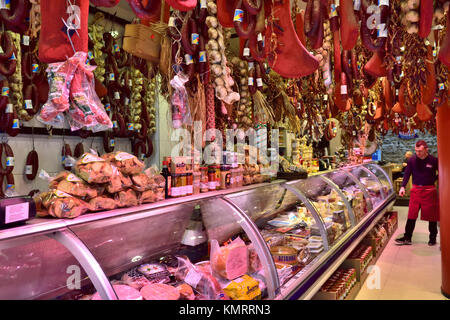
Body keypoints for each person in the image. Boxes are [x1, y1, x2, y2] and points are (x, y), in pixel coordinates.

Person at [396, 140, 439, 246]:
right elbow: (407, 174)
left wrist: (435, 178)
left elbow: (442, 171)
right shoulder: (412, 160)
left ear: (426, 149)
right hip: (416, 190)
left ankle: (432, 238)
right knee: (411, 214)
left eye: (420, 151)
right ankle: (407, 237)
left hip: (429, 191)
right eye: (416, 151)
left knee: (431, 216)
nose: (418, 153)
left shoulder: (434, 160)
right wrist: (402, 187)